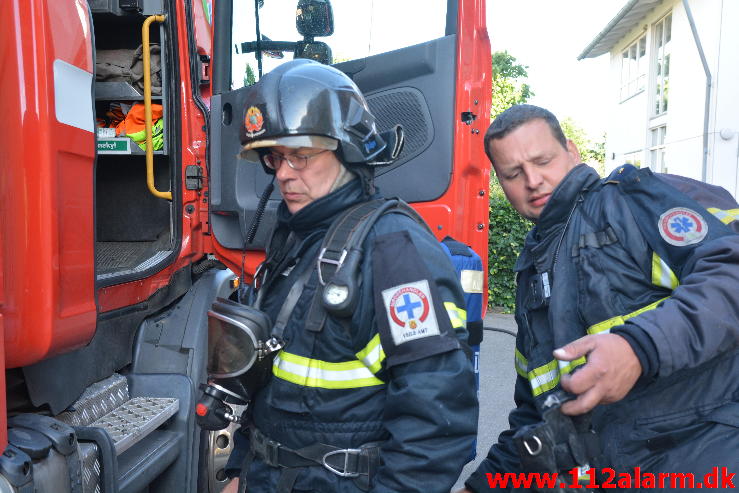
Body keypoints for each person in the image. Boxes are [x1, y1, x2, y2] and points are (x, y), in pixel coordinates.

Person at [221, 59, 478, 493]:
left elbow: (436, 423)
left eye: (301, 155)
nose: (283, 173)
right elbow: (272, 387)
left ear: (349, 149)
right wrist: (239, 470)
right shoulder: (297, 242)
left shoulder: (393, 247)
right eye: (274, 157)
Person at [459, 104, 739, 492]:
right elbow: (538, 413)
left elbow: (731, 271)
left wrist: (640, 348)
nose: (534, 180)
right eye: (513, 173)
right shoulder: (533, 273)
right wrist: (484, 485)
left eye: (543, 160)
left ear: (572, 152)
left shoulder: (631, 202)